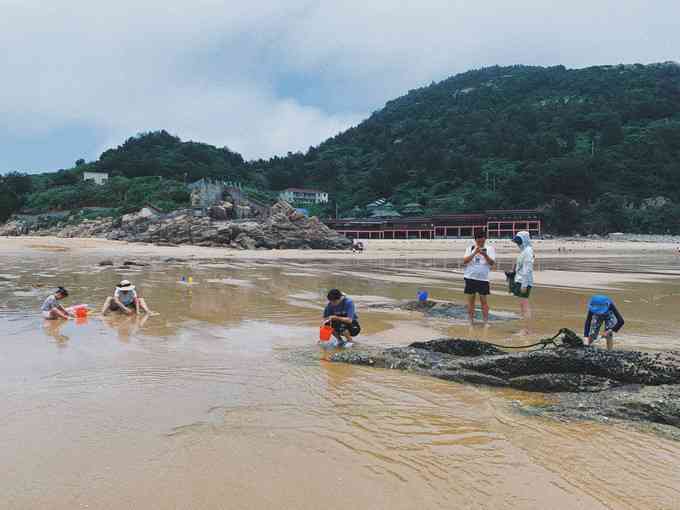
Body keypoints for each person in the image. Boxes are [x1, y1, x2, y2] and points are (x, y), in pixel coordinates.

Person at [462, 229, 496, 324]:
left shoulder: (490, 249)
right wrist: (474, 253)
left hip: (483, 279)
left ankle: (485, 322)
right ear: (475, 239)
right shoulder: (470, 248)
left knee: (484, 302)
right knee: (471, 302)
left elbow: (492, 263)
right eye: (478, 240)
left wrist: (485, 255)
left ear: (485, 239)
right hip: (470, 278)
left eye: (482, 239)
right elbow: (464, 261)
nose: (480, 241)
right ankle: (470, 322)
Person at [511, 231, 534, 319]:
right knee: (522, 305)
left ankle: (527, 330)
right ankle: (525, 328)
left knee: (525, 305)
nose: (517, 244)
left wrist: (524, 284)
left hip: (524, 281)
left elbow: (527, 269)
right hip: (520, 280)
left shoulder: (528, 251)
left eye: (519, 241)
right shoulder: (524, 251)